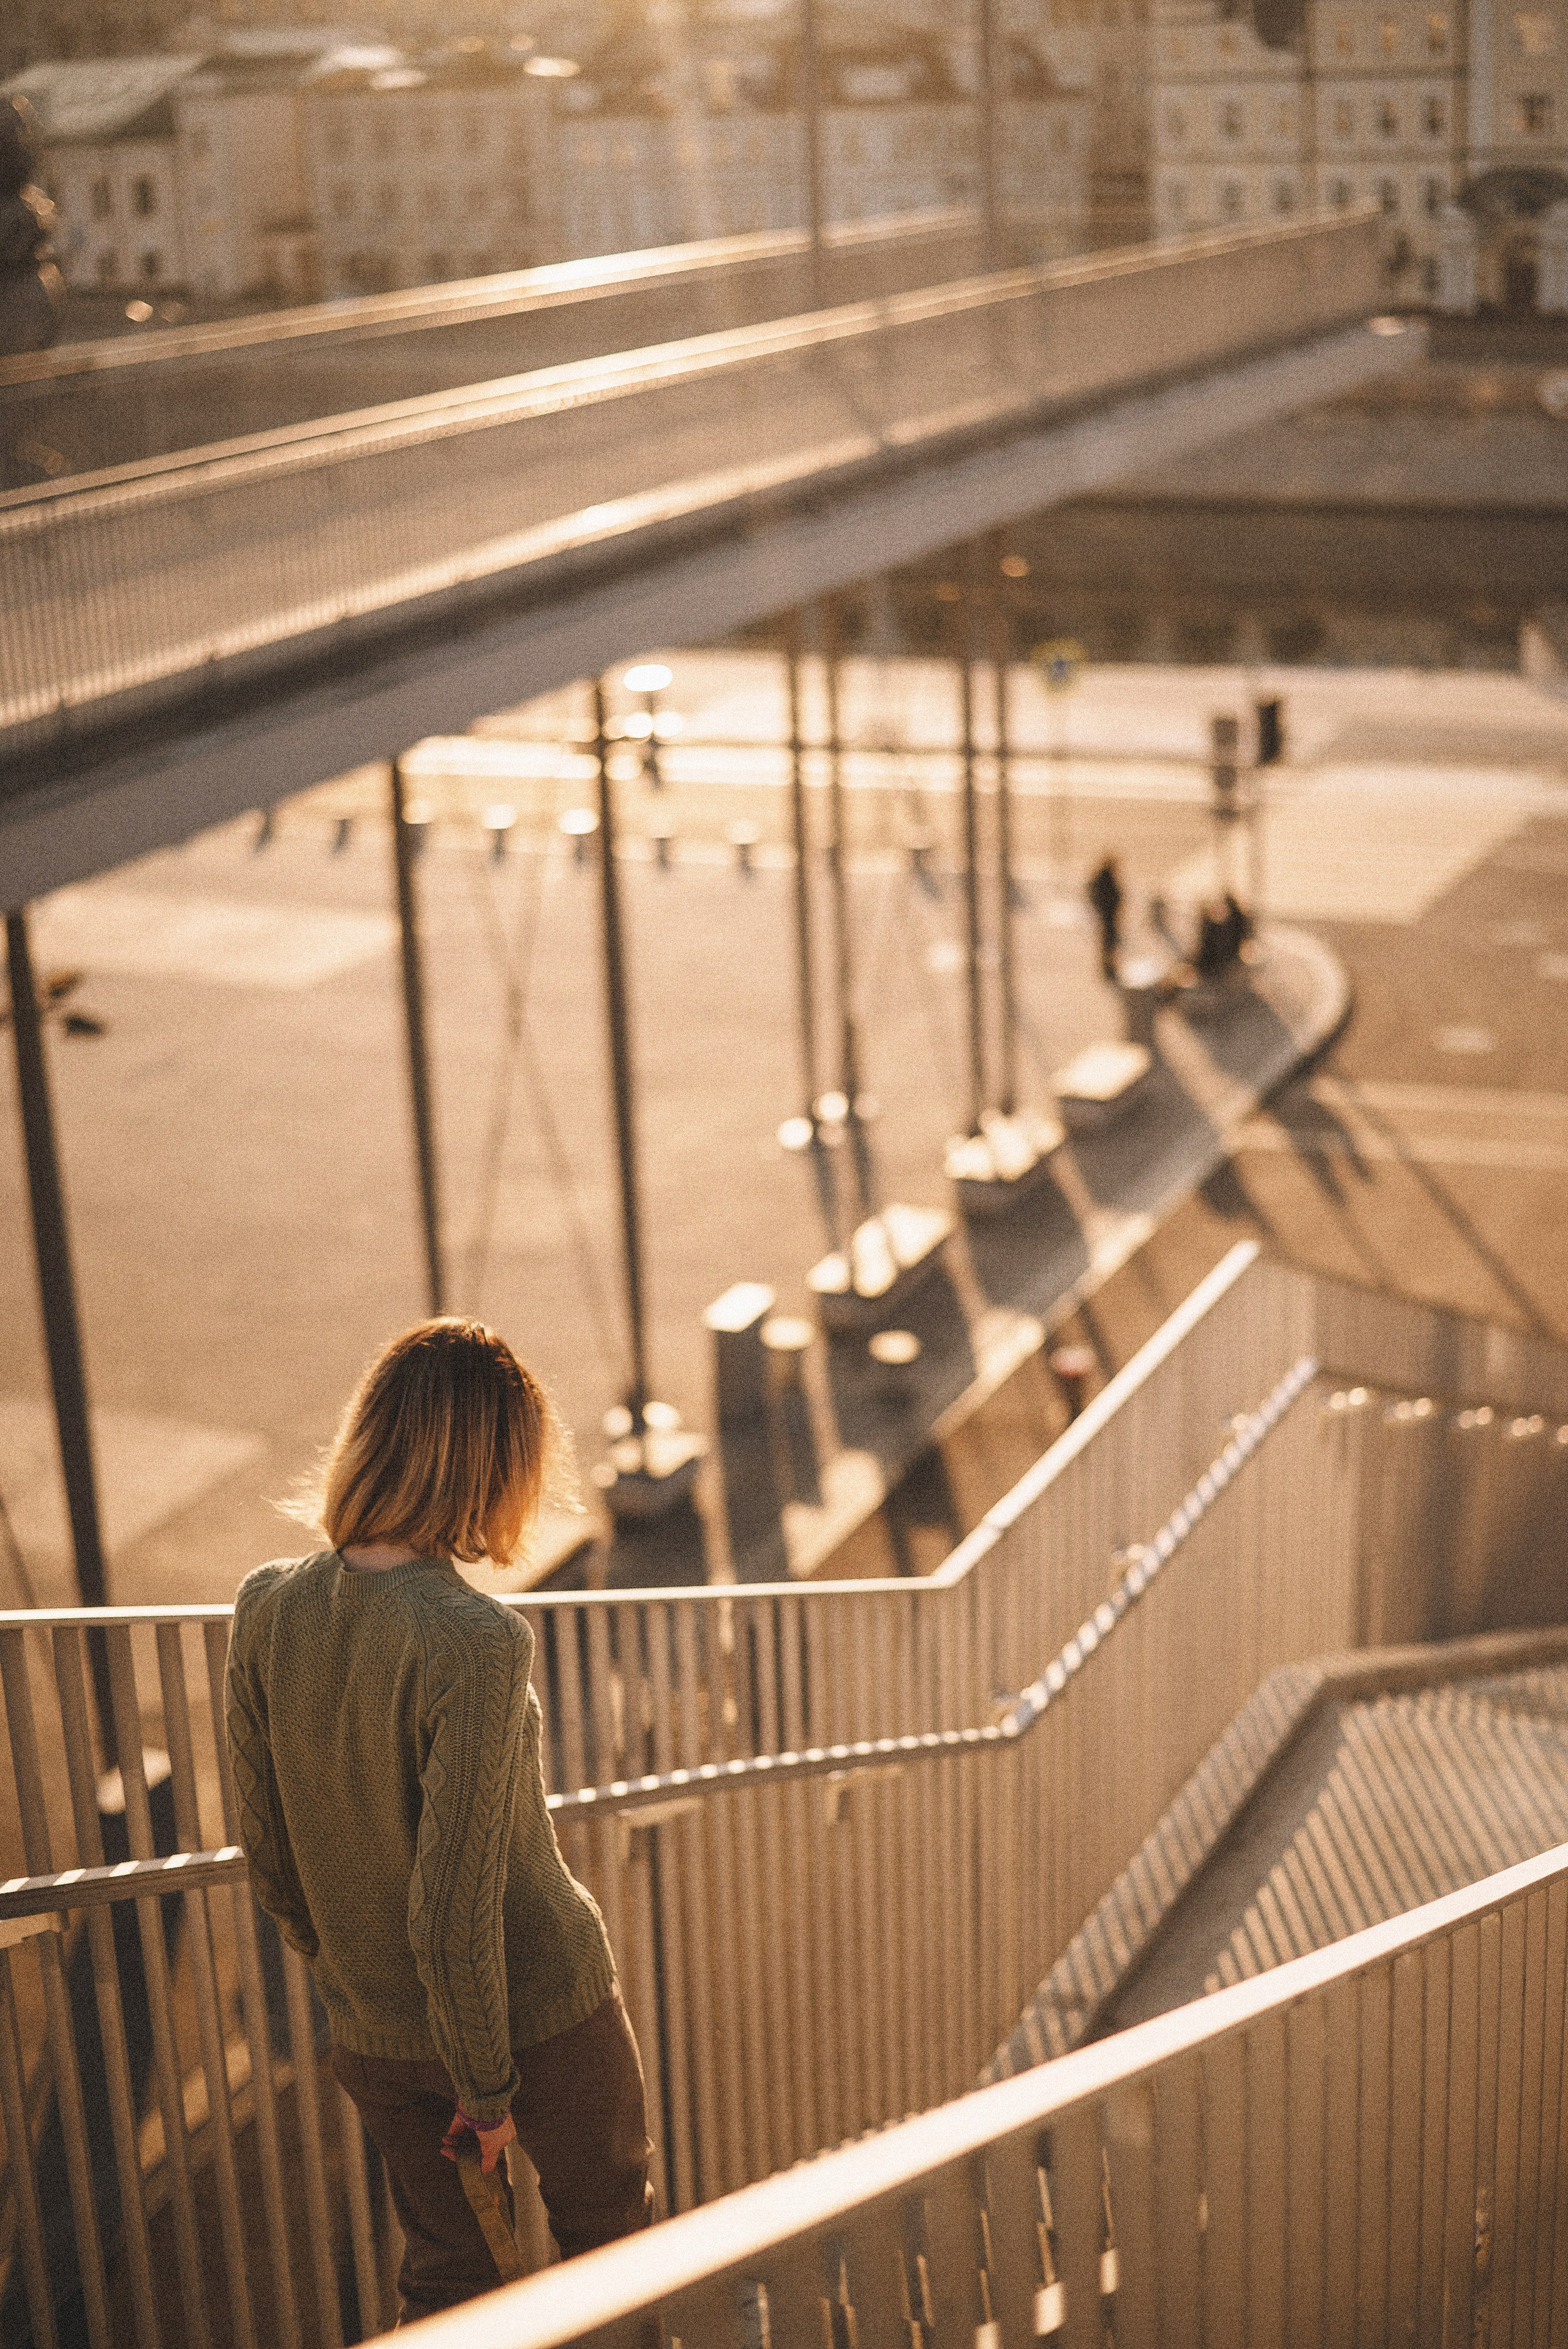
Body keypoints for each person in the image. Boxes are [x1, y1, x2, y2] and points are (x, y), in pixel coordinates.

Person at [226, 1319, 651, 2323]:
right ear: (490, 1470)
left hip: (375, 2034)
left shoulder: (266, 1606)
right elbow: (456, 1903)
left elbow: (269, 1848)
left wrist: (356, 1984)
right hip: (538, 2017)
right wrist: (486, 2090)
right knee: (618, 2253)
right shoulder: (474, 1642)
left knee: (449, 2284)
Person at [1087, 853, 1123, 982]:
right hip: (1108, 916)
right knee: (1109, 944)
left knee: (1111, 944)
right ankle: (1108, 970)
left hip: (1109, 916)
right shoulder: (1105, 878)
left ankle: (1109, 968)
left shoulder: (1105, 877)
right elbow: (1098, 895)